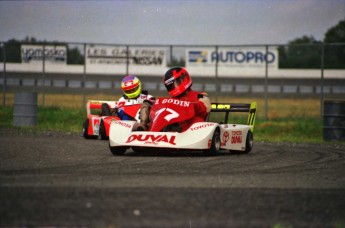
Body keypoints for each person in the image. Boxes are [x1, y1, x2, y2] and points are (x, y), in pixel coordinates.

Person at [162, 67, 212, 131]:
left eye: (175, 83)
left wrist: (191, 106)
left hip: (193, 129)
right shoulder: (170, 101)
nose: (173, 87)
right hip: (173, 130)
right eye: (170, 86)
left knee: (197, 121)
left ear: (183, 79)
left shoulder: (200, 96)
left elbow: (205, 108)